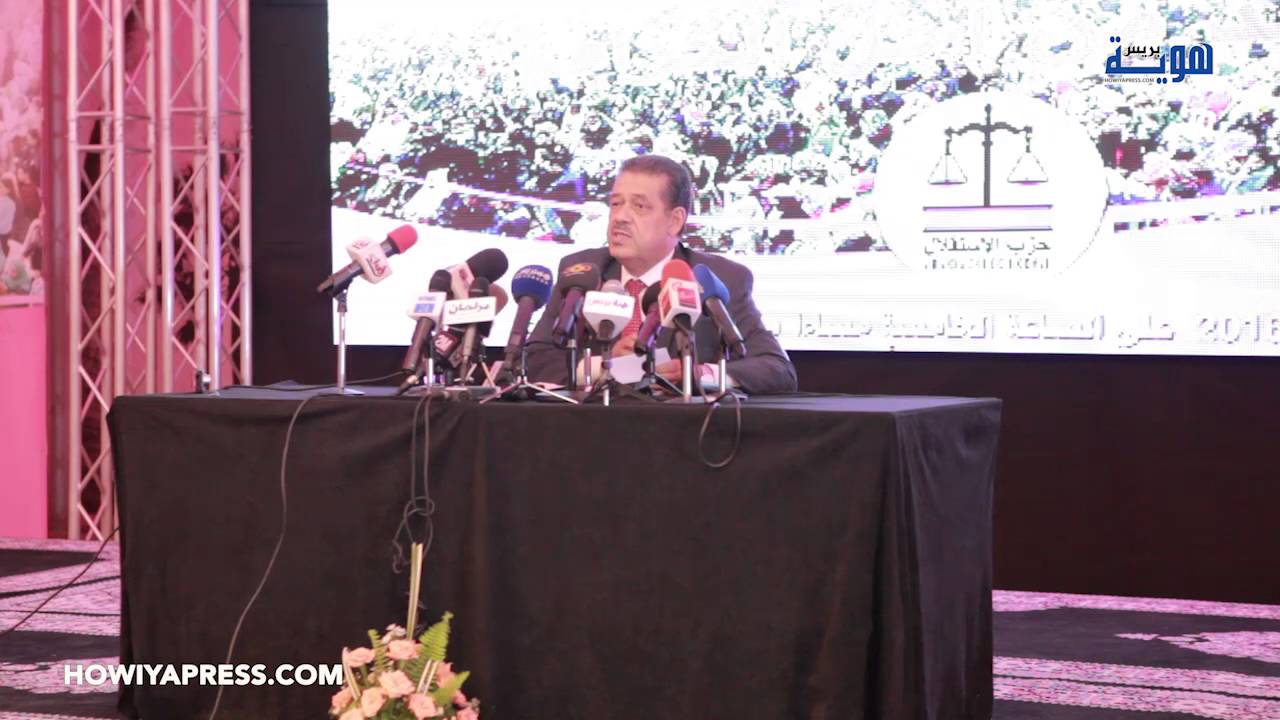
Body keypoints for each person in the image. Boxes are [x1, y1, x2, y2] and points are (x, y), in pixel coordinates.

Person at [525, 155, 797, 395]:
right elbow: (534, 359)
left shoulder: (720, 279)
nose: (620, 217)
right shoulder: (582, 271)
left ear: (674, 220)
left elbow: (777, 368)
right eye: (616, 204)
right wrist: (607, 366)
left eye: (639, 206)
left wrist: (699, 374)